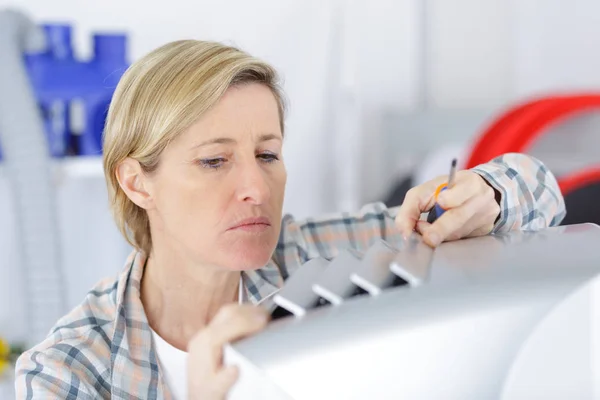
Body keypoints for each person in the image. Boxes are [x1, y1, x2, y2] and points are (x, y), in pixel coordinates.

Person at [14, 39, 566, 400]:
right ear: (136, 182)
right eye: (214, 161)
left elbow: (541, 195)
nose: (256, 188)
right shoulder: (67, 372)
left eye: (268, 154)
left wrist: (490, 192)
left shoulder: (317, 256)